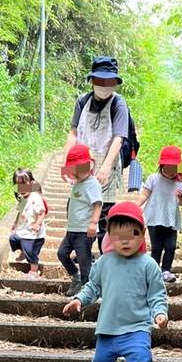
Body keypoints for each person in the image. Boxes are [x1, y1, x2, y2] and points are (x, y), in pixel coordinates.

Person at [63, 202, 168, 362]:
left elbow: (157, 294)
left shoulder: (148, 265)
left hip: (137, 326)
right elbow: (93, 286)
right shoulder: (104, 262)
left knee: (141, 360)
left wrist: (159, 313)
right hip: (108, 326)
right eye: (118, 236)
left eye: (133, 234)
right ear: (108, 235)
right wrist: (79, 299)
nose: (126, 240)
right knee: (100, 361)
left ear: (143, 234)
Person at [64, 56, 129, 252]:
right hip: (83, 161)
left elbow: (119, 137)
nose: (104, 86)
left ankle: (105, 256)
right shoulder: (82, 101)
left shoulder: (119, 104)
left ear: (115, 84)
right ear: (92, 81)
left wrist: (106, 167)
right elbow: (74, 131)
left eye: (109, 82)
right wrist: (66, 163)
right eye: (99, 81)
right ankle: (83, 255)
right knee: (78, 206)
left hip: (107, 160)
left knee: (104, 213)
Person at [57, 143, 102, 297]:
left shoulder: (92, 184)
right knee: (62, 253)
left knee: (84, 261)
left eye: (78, 170)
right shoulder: (78, 181)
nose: (74, 173)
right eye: (73, 170)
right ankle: (76, 277)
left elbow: (97, 204)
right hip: (72, 230)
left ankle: (87, 290)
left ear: (89, 166)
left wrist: (93, 223)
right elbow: (65, 173)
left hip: (84, 231)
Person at [140, 146, 182, 284]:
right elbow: (144, 194)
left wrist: (181, 197)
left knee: (171, 246)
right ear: (162, 165)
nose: (172, 172)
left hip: (171, 219)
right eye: (169, 167)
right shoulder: (154, 179)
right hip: (154, 218)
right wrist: (135, 206)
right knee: (157, 247)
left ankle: (166, 270)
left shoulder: (179, 183)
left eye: (175, 168)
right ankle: (154, 272)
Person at [9, 179, 48, 277]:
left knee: (31, 252)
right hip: (24, 231)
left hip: (34, 234)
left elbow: (42, 212)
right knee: (13, 239)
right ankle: (23, 252)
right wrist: (15, 223)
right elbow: (20, 212)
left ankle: (34, 271)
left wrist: (37, 224)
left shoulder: (35, 198)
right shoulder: (23, 199)